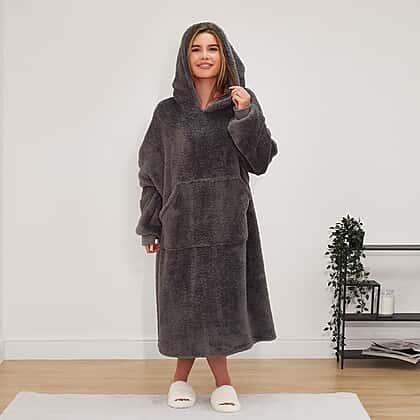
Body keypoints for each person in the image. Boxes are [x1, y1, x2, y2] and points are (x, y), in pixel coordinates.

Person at [135, 21, 278, 412]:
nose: (204, 56)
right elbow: (150, 173)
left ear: (224, 55)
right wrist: (150, 224)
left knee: (220, 304)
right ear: (185, 57)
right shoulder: (167, 114)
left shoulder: (240, 106)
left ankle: (223, 383)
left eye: (212, 48)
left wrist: (246, 113)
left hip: (228, 223)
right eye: (196, 48)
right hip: (180, 224)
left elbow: (261, 160)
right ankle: (179, 379)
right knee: (182, 304)